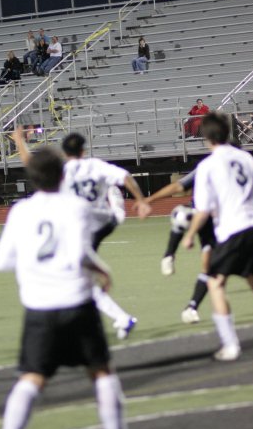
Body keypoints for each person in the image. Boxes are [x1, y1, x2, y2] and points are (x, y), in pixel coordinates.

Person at [0, 148, 145, 429]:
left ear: (31, 178)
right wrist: (101, 269)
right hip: (76, 303)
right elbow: (79, 253)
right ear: (63, 175)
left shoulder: (20, 211)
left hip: (38, 309)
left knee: (31, 378)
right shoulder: (75, 207)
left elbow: (2, 262)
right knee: (102, 372)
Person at [182, 111, 253, 361]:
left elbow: (203, 210)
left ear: (205, 136)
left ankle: (230, 345)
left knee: (215, 283)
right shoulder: (246, 158)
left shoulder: (207, 166)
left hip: (235, 229)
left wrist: (190, 234)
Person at [12, 128, 151, 339]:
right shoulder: (95, 165)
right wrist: (140, 200)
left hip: (80, 227)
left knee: (77, 276)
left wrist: (19, 141)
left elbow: (29, 162)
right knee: (78, 275)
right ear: (83, 150)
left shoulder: (62, 170)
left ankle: (118, 319)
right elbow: (125, 177)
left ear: (64, 152)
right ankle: (115, 207)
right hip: (102, 223)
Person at [146, 170, 216, 324]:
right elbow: (179, 186)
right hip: (202, 216)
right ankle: (168, 256)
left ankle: (191, 308)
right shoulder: (207, 166)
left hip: (223, 221)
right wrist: (150, 199)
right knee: (182, 215)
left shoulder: (238, 167)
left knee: (211, 268)